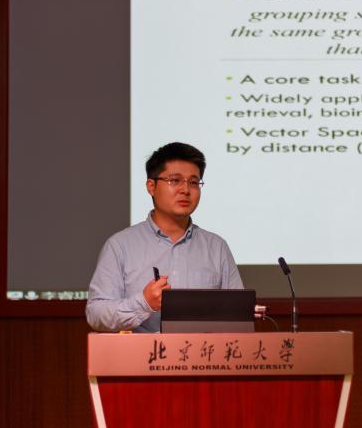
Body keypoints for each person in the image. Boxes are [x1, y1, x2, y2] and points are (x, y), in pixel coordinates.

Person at [85, 142, 243, 332]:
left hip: (204, 351)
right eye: (175, 180)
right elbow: (96, 314)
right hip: (142, 350)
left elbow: (239, 314)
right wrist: (144, 303)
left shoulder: (217, 247)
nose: (185, 190)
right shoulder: (120, 245)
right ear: (151, 186)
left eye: (193, 182)